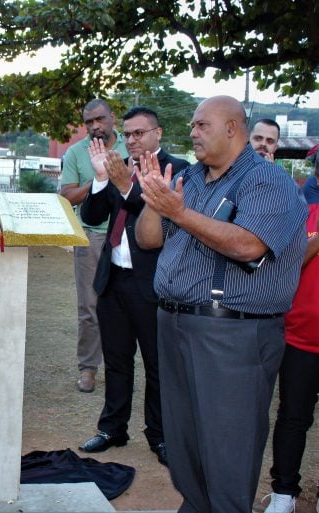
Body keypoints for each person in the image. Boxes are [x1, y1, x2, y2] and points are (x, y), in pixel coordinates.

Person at [134, 95, 307, 513]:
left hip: (233, 333)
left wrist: (180, 213)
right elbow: (147, 239)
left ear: (232, 129)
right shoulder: (191, 178)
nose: (192, 132)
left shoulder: (267, 181)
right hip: (176, 324)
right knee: (185, 445)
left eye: (201, 125)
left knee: (227, 451)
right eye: (192, 125)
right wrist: (157, 201)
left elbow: (249, 246)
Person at [78, 106, 189, 466]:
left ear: (158, 133)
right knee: (117, 360)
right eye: (127, 134)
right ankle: (113, 428)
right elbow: (93, 217)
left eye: (139, 133)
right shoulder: (117, 166)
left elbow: (158, 215)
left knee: (157, 365)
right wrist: (99, 180)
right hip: (114, 279)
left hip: (153, 282)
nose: (132, 140)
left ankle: (159, 435)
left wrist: (126, 185)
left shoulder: (180, 169)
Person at [261, 153, 319, 513]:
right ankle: (284, 493)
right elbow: (286, 263)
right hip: (301, 337)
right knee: (293, 416)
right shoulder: (303, 212)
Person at [60, 99, 127, 393]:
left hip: (128, 234)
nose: (95, 126)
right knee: (90, 305)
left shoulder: (132, 148)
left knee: (126, 305)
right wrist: (100, 178)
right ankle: (88, 367)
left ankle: (121, 368)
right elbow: (67, 196)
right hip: (91, 234)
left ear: (113, 118)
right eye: (89, 122)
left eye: (100, 119)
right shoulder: (76, 152)